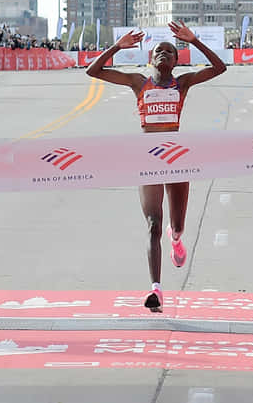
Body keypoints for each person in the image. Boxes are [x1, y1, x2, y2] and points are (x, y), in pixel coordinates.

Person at [86, 21, 226, 312]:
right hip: (147, 159)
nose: (163, 54)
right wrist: (117, 47)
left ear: (176, 62)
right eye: (158, 51)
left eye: (170, 52)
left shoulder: (183, 83)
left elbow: (219, 68)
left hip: (176, 158)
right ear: (151, 59)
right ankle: (156, 290)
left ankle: (176, 239)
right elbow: (93, 71)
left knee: (176, 225)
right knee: (153, 224)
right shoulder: (139, 82)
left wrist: (195, 40)